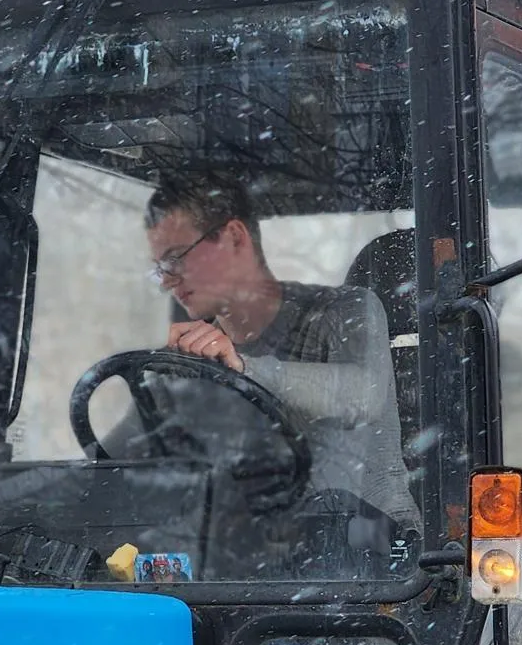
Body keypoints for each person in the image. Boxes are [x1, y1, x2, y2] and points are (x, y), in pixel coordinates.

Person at [128, 173, 417, 529]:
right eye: (159, 270)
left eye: (175, 260)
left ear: (234, 238)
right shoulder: (193, 362)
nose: (168, 282)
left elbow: (362, 396)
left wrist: (243, 368)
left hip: (379, 552)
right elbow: (119, 457)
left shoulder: (346, 310)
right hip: (258, 563)